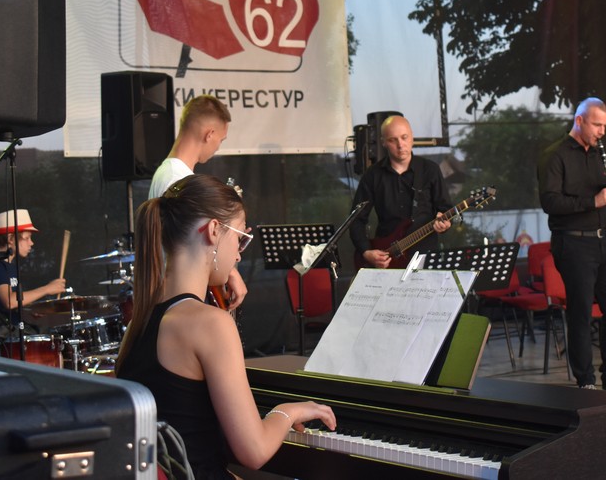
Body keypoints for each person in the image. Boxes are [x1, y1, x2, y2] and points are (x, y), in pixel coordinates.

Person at [116, 174, 336, 478]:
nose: (239, 253)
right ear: (213, 230)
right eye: (240, 238)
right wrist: (289, 411)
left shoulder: (139, 321)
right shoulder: (209, 323)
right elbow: (254, 451)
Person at [538, 97, 606, 394]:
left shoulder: (598, 153)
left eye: (605, 126)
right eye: (597, 125)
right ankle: (585, 381)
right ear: (579, 120)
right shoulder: (554, 155)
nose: (602, 132)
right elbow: (550, 202)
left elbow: (604, 196)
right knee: (581, 313)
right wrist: (594, 200)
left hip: (605, 240)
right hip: (573, 242)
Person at [149, 94, 247, 308]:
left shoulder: (171, 173)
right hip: (180, 295)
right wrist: (230, 271)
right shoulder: (177, 179)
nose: (218, 147)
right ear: (209, 134)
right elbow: (193, 244)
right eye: (221, 140)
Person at [349, 115, 453, 269]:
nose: (400, 145)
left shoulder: (430, 170)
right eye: (393, 140)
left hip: (425, 257)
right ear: (383, 142)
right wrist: (366, 251)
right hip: (388, 257)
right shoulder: (373, 175)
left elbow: (446, 209)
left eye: (404, 137)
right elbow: (356, 220)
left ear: (412, 137)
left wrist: (445, 223)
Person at [0, 209, 68, 340]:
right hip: (0, 338)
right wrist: (47, 289)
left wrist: (32, 309)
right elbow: (10, 301)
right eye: (27, 238)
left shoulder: (10, 267)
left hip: (11, 331)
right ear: (10, 239)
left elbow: (4, 306)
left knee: (56, 336)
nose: (31, 243)